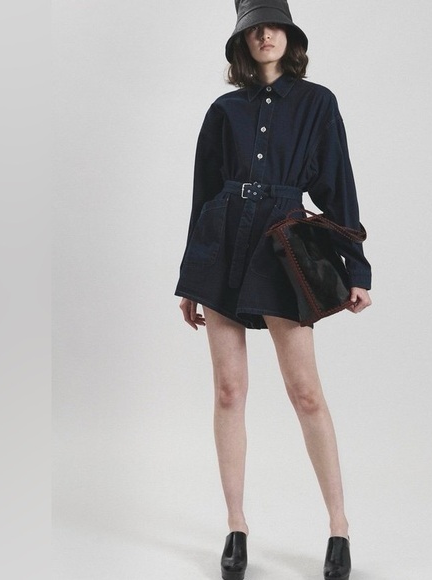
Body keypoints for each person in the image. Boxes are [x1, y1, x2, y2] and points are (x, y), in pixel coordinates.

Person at [174, 1, 372, 579]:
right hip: (220, 246)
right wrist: (190, 277)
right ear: (242, 40)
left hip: (283, 245)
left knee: (305, 391)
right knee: (229, 390)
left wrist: (357, 267)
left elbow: (339, 187)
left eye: (274, 26)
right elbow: (202, 195)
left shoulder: (318, 103)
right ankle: (236, 527)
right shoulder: (223, 111)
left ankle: (339, 528)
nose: (264, 35)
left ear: (289, 36)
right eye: (254, 27)